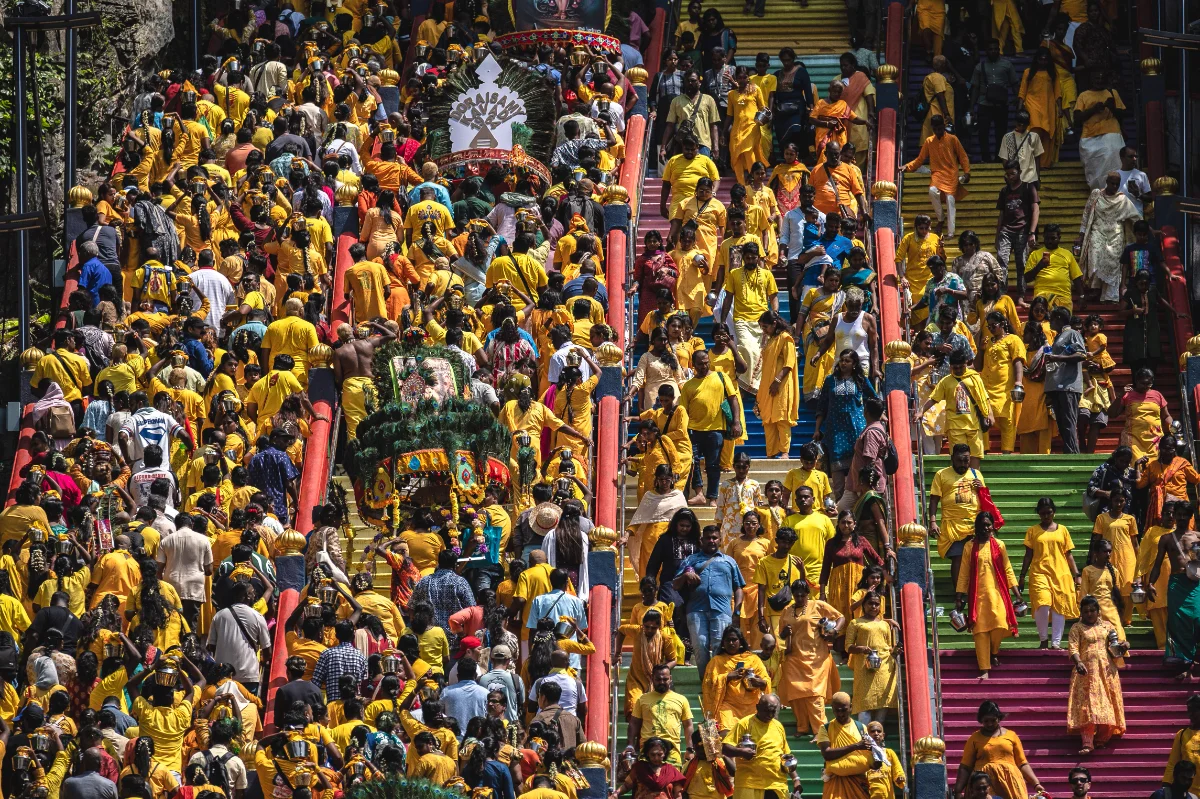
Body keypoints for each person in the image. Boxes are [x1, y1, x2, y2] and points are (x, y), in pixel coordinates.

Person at [675, 525, 745, 680]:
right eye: (708, 538)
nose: (711, 541)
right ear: (701, 540)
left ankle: (720, 682)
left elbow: (739, 588)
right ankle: (706, 683)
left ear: (720, 540)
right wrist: (686, 576)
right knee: (700, 646)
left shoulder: (729, 561)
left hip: (722, 610)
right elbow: (675, 584)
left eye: (714, 538)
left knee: (719, 646)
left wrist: (737, 612)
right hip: (696, 610)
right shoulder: (691, 561)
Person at [956, 511, 1021, 678]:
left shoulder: (999, 545)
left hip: (998, 593)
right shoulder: (969, 547)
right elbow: (963, 573)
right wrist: (959, 595)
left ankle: (993, 651)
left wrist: (1016, 592)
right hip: (977, 596)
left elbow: (1008, 569)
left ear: (993, 526)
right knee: (980, 632)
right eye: (982, 525)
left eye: (988, 524)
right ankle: (984, 669)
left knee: (1000, 624)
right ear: (977, 527)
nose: (986, 528)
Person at [776, 577, 843, 737]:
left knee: (815, 695)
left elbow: (840, 617)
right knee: (795, 695)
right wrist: (785, 633)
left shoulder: (818, 605)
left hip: (816, 658)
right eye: (796, 595)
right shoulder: (787, 610)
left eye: (802, 595)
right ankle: (802, 727)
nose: (799, 598)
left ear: (807, 594)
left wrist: (834, 631)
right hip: (793, 658)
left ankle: (820, 732)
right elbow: (781, 633)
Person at [1067, 595, 1126, 754]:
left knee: (1107, 705)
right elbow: (1073, 648)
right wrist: (1078, 662)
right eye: (1086, 611)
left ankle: (1101, 740)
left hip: (1106, 672)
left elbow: (1115, 648)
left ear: (1098, 611)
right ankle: (1087, 743)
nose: (1089, 614)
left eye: (1093, 610)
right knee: (1089, 707)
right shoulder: (1076, 628)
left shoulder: (1107, 627)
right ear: (1081, 612)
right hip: (1086, 673)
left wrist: (1124, 646)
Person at [1018, 497, 1079, 649]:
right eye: (1043, 513)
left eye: (1049, 512)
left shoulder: (1063, 530)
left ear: (1054, 512)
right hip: (1039, 573)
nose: (1046, 516)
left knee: (1059, 607)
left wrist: (1077, 574)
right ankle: (1043, 640)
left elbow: (1068, 554)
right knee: (1042, 604)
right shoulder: (1032, 531)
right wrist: (1022, 576)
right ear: (1038, 513)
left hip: (1061, 573)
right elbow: (1028, 555)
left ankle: (1056, 643)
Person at [1148, 501, 1200, 675]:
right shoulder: (1166, 539)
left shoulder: (1197, 536)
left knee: (1197, 619)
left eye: (1186, 514)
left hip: (1195, 585)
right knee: (1177, 623)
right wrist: (1150, 584)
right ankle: (1182, 664)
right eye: (1179, 514)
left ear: (1190, 516)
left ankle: (1196, 658)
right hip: (1176, 584)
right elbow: (1156, 565)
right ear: (1175, 515)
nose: (1182, 518)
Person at [954, 701, 1045, 799]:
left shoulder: (1012, 736)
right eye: (986, 721)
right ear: (981, 720)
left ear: (999, 718)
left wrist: (1036, 784)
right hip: (983, 786)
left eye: (993, 720)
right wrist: (958, 791)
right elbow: (965, 767)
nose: (989, 724)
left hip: (1010, 784)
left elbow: (1022, 764)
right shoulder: (974, 738)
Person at [1076, 171, 1141, 304]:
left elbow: (1136, 217)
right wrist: (1081, 236)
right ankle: (1095, 290)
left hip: (1116, 235)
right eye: (1112, 183)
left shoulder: (1122, 199)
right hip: (1097, 232)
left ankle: (1109, 296)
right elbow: (1086, 214)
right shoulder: (1096, 194)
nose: (1115, 186)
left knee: (1113, 264)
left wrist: (1150, 230)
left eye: (1117, 184)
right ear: (1107, 182)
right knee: (1094, 257)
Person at [721, 695, 802, 799]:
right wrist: (741, 752)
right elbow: (725, 748)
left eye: (773, 711)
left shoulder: (778, 726)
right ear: (757, 707)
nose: (770, 715)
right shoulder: (744, 724)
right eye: (767, 711)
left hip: (776, 784)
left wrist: (796, 779)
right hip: (749, 784)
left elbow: (785, 757)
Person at [902, 115, 970, 238]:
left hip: (951, 174)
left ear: (944, 126)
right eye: (936, 129)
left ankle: (951, 232)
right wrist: (907, 166)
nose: (938, 132)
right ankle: (941, 218)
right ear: (932, 128)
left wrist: (967, 172)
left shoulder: (952, 139)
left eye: (940, 128)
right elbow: (920, 159)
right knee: (932, 191)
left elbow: (963, 156)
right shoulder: (929, 141)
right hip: (937, 174)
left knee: (950, 200)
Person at [929, 444, 985, 590]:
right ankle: (959, 595)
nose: (963, 464)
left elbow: (985, 499)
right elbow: (934, 499)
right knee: (958, 558)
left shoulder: (976, 474)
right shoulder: (941, 474)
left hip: (975, 525)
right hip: (953, 525)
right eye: (959, 460)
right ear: (952, 458)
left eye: (966, 460)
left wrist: (981, 488)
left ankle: (975, 592)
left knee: (977, 559)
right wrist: (933, 522)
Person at [927, 349, 992, 467]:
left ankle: (975, 479)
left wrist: (990, 414)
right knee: (958, 457)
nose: (958, 370)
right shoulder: (945, 381)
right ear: (951, 366)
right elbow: (933, 399)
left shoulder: (975, 378)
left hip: (974, 424)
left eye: (960, 367)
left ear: (966, 363)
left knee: (975, 455)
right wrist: (921, 412)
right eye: (955, 368)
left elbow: (984, 398)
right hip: (955, 426)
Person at [701, 626, 771, 731]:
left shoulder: (753, 659)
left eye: (734, 640)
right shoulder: (716, 661)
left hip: (751, 704)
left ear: (741, 641)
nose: (731, 643)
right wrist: (727, 677)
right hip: (727, 704)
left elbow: (766, 680)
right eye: (728, 640)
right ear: (723, 643)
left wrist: (760, 682)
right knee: (725, 732)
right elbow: (708, 684)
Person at [820, 511, 884, 622]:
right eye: (843, 522)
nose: (846, 525)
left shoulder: (861, 541)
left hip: (858, 584)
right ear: (838, 524)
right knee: (839, 617)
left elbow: (877, 560)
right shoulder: (831, 543)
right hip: (838, 586)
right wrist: (822, 593)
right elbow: (825, 569)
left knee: (860, 614)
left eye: (849, 522)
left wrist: (882, 578)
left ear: (854, 524)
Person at [977, 312, 1025, 455]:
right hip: (987, 388)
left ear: (1003, 324)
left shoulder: (1013, 340)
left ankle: (1007, 453)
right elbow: (978, 366)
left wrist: (1018, 382)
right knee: (984, 419)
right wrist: (981, 348)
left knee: (1008, 420)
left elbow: (1018, 361)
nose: (991, 328)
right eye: (989, 326)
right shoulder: (988, 342)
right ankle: (984, 451)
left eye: (994, 325)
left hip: (1006, 388)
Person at [628, 664, 694, 766]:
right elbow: (634, 723)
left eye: (665, 679)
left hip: (672, 752)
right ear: (652, 678)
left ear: (670, 678)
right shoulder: (642, 699)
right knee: (646, 781)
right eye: (658, 679)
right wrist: (630, 745)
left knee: (673, 782)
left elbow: (688, 725)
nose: (662, 682)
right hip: (648, 751)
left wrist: (690, 748)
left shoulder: (681, 699)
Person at [755, 311, 799, 459]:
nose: (764, 330)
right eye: (762, 327)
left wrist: (777, 381)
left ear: (774, 324)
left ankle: (785, 452)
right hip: (767, 386)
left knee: (781, 418)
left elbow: (789, 362)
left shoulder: (786, 338)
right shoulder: (770, 340)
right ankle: (771, 453)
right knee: (768, 420)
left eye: (765, 327)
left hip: (782, 385)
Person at [1043, 305, 1086, 453]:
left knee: (1068, 422)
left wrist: (1057, 357)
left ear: (1059, 319)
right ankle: (1069, 452)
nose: (1050, 322)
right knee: (1062, 423)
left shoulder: (1073, 333)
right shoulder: (1058, 336)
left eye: (1051, 319)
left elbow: (1082, 354)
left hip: (1068, 385)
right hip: (1057, 385)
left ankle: (1074, 456)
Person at [815, 691, 874, 798]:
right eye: (837, 710)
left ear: (851, 707)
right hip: (835, 783)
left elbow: (868, 755)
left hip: (858, 782)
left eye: (844, 710)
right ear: (832, 708)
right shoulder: (825, 729)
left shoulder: (861, 728)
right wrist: (855, 746)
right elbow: (827, 754)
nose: (840, 714)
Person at [1073, 71, 1126, 189]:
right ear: (1091, 80)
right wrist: (1093, 109)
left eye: (1102, 78)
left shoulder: (1112, 93)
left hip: (1112, 131)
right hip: (1090, 134)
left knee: (1113, 154)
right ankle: (1099, 190)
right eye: (1097, 78)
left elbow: (1123, 114)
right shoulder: (1083, 95)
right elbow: (1077, 118)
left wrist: (1112, 107)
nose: (1099, 81)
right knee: (1095, 164)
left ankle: (1116, 188)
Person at [993, 162, 1039, 293]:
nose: (1010, 177)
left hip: (1022, 230)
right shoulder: (1004, 191)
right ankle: (1002, 293)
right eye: (1007, 174)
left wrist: (1032, 232)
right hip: (1005, 231)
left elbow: (1035, 210)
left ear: (1019, 172)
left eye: (1013, 173)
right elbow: (1001, 215)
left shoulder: (1028, 188)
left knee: (1022, 264)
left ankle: (1021, 295)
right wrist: (997, 236)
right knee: (1001, 263)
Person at [1018, 48, 1065, 168]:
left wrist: (1060, 108)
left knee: (1047, 134)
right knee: (1034, 132)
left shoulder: (1053, 73)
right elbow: (1022, 91)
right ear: (1036, 59)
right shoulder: (1028, 72)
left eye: (1045, 60)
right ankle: (1030, 163)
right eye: (1040, 59)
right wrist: (1020, 109)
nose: (1043, 62)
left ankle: (1044, 164)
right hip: (1031, 104)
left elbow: (1058, 92)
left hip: (1048, 106)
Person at [612, 737, 687, 799]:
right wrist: (616, 794)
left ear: (664, 753)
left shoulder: (671, 771)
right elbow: (626, 786)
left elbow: (678, 795)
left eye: (659, 754)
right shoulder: (640, 768)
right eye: (653, 754)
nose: (656, 758)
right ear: (647, 754)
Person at [1163, 695, 1200, 794]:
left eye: (1195, 710)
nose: (1191, 714)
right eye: (1189, 710)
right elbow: (1173, 762)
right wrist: (1166, 785)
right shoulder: (1182, 735)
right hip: (1188, 792)